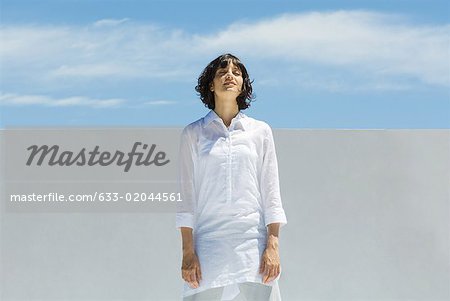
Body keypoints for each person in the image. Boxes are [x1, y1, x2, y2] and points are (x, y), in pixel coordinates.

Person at [176, 53, 287, 301]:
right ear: (211, 85)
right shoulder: (193, 134)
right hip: (208, 245)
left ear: (243, 86)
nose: (230, 75)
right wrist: (187, 251)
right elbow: (186, 197)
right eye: (222, 72)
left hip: (252, 243)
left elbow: (271, 191)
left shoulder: (260, 132)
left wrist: (273, 246)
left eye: (237, 73)